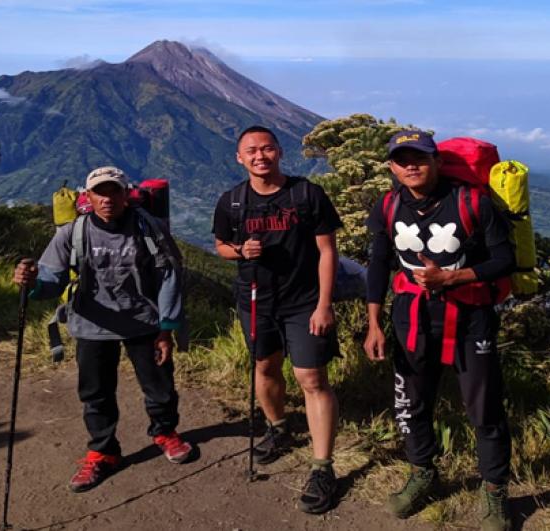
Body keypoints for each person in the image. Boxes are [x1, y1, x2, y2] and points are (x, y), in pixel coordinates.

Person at [363, 130, 515, 530]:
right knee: (411, 402)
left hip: (470, 317)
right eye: (402, 159)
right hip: (411, 316)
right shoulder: (387, 205)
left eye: (420, 158)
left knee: (484, 408)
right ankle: (423, 472)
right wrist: (373, 323)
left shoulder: (474, 202)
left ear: (437, 161)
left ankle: (495, 490)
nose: (411, 165)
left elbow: (504, 259)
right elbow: (379, 264)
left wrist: (453, 278)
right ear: (392, 167)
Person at [12, 166, 193, 493]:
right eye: (99, 192)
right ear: (88, 197)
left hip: (144, 322)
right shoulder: (72, 232)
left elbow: (169, 276)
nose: (107, 199)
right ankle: (103, 451)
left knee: (160, 385)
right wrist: (32, 285)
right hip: (92, 324)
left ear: (126, 195)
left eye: (114, 191)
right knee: (95, 393)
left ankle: (165, 432)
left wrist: (166, 329)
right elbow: (52, 279)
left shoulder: (147, 227)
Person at [212, 125, 343, 514]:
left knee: (312, 378)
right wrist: (240, 250)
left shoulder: (306, 194)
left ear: (279, 152)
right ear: (239, 158)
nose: (259, 156)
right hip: (255, 300)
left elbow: (327, 251)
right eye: (251, 151)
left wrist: (324, 304)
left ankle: (322, 468)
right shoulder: (231, 202)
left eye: (267, 148)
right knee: (265, 366)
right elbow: (220, 246)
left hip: (303, 302)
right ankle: (278, 427)